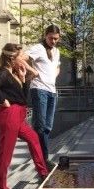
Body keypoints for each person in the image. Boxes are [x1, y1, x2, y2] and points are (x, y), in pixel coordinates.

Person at [0, 44, 48, 189]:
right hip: (9, 116)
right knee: (5, 156)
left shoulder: (13, 73)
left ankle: (42, 172)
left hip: (18, 115)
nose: (24, 59)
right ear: (12, 58)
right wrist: (3, 100)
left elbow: (22, 97)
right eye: (21, 56)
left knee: (33, 138)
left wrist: (23, 80)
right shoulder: (2, 73)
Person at [27, 25, 61, 162]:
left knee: (48, 127)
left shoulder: (57, 51)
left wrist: (53, 76)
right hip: (39, 89)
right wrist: (33, 71)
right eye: (51, 38)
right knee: (40, 126)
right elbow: (20, 58)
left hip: (52, 90)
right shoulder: (38, 48)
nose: (53, 41)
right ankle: (43, 160)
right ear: (45, 35)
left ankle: (43, 159)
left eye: (56, 39)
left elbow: (57, 66)